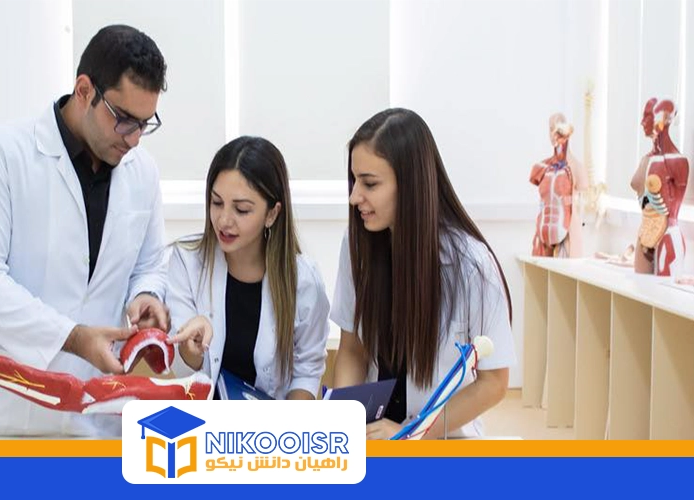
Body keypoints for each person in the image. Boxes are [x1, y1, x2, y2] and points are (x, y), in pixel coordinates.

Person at [0, 25, 170, 437]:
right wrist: (73, 337)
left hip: (97, 412)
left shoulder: (143, 172)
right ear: (84, 90)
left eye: (145, 123)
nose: (135, 139)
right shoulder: (1, 156)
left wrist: (147, 295)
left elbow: (149, 264)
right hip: (7, 411)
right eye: (124, 120)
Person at [331, 108, 516, 439]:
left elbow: (493, 383)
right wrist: (342, 421)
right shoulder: (356, 244)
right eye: (354, 180)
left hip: (442, 440)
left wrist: (411, 434)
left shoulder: (472, 265)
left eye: (370, 183)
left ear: (411, 185)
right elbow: (353, 348)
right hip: (373, 436)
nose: (355, 196)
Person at [167, 136, 330, 400]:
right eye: (216, 202)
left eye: (242, 210)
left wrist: (290, 422)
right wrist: (190, 347)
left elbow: (307, 372)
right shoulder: (187, 261)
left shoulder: (304, 279)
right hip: (202, 420)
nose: (224, 220)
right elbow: (183, 371)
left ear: (272, 214)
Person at [630, 98, 688, 277]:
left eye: (647, 117)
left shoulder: (677, 161)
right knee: (638, 289)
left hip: (667, 233)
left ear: (660, 119)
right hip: (645, 232)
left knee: (662, 290)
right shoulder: (646, 159)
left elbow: (674, 206)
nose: (642, 122)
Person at [530, 113, 588, 258]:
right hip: (543, 238)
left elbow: (582, 189)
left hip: (567, 236)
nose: (553, 133)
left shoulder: (575, 168)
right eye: (550, 129)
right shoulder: (542, 168)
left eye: (556, 128)